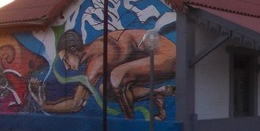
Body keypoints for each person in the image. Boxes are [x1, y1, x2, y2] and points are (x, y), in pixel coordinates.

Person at [30, 29, 175, 119]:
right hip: (153, 61)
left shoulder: (98, 58)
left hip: (168, 56)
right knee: (105, 90)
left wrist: (45, 106)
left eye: (66, 59)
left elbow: (76, 104)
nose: (66, 65)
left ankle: (129, 125)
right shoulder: (95, 53)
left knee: (117, 76)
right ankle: (156, 93)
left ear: (74, 49)